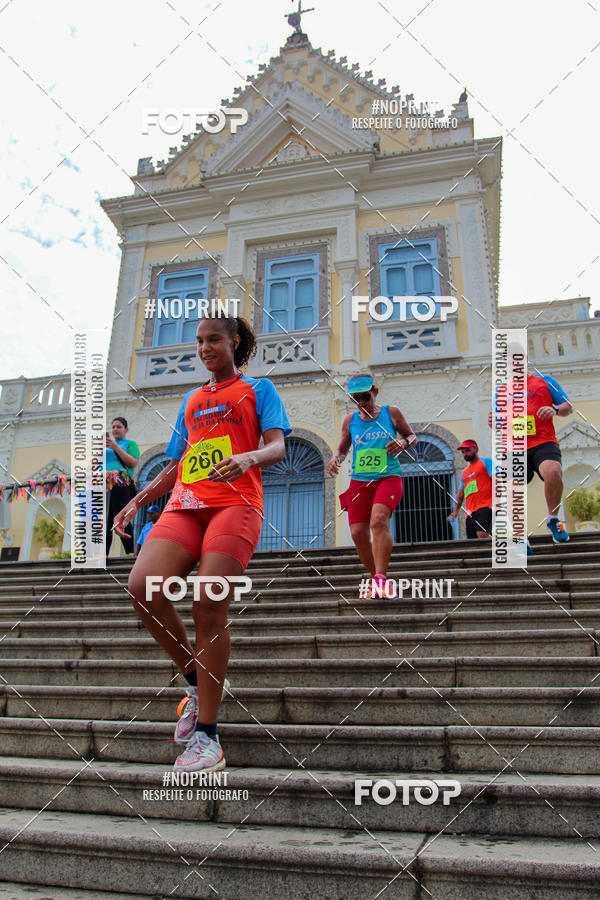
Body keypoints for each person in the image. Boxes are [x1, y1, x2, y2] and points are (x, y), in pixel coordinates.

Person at [114, 314, 291, 773]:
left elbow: (277, 447)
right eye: (199, 341)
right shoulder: (192, 399)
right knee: (142, 587)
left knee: (208, 603)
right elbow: (177, 463)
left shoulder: (258, 389)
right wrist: (137, 500)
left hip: (236, 503)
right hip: (185, 505)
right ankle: (196, 679)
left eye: (214, 339)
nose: (205, 347)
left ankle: (208, 739)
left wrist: (249, 456)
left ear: (235, 342)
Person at [327, 373, 416, 597]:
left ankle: (381, 579)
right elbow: (342, 448)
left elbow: (412, 436)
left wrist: (403, 442)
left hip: (388, 477)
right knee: (357, 532)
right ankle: (376, 579)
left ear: (375, 392)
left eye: (365, 396)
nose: (361, 402)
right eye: (355, 398)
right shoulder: (349, 420)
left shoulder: (391, 412)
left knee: (378, 520)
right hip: (360, 481)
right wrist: (335, 458)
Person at [489, 370, 573, 552]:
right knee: (511, 488)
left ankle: (553, 519)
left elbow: (568, 406)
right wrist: (494, 422)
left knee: (553, 471)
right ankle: (521, 540)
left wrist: (555, 409)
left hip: (543, 441)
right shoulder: (501, 390)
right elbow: (497, 420)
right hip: (514, 447)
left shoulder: (544, 380)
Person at [105, 416, 140, 555]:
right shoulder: (105, 446)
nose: (115, 429)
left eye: (118, 427)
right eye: (113, 427)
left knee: (120, 516)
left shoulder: (130, 444)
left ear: (126, 429)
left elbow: (132, 462)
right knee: (105, 520)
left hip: (120, 483)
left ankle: (130, 552)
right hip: (104, 484)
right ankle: (103, 554)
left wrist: (115, 447)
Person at [447, 440, 493, 539]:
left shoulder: (487, 462)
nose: (465, 454)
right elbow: (460, 494)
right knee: (472, 541)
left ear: (476, 449)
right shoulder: (464, 472)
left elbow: (497, 480)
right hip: (470, 512)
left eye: (468, 450)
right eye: (463, 452)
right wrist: (455, 512)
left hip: (486, 507)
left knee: (482, 534)